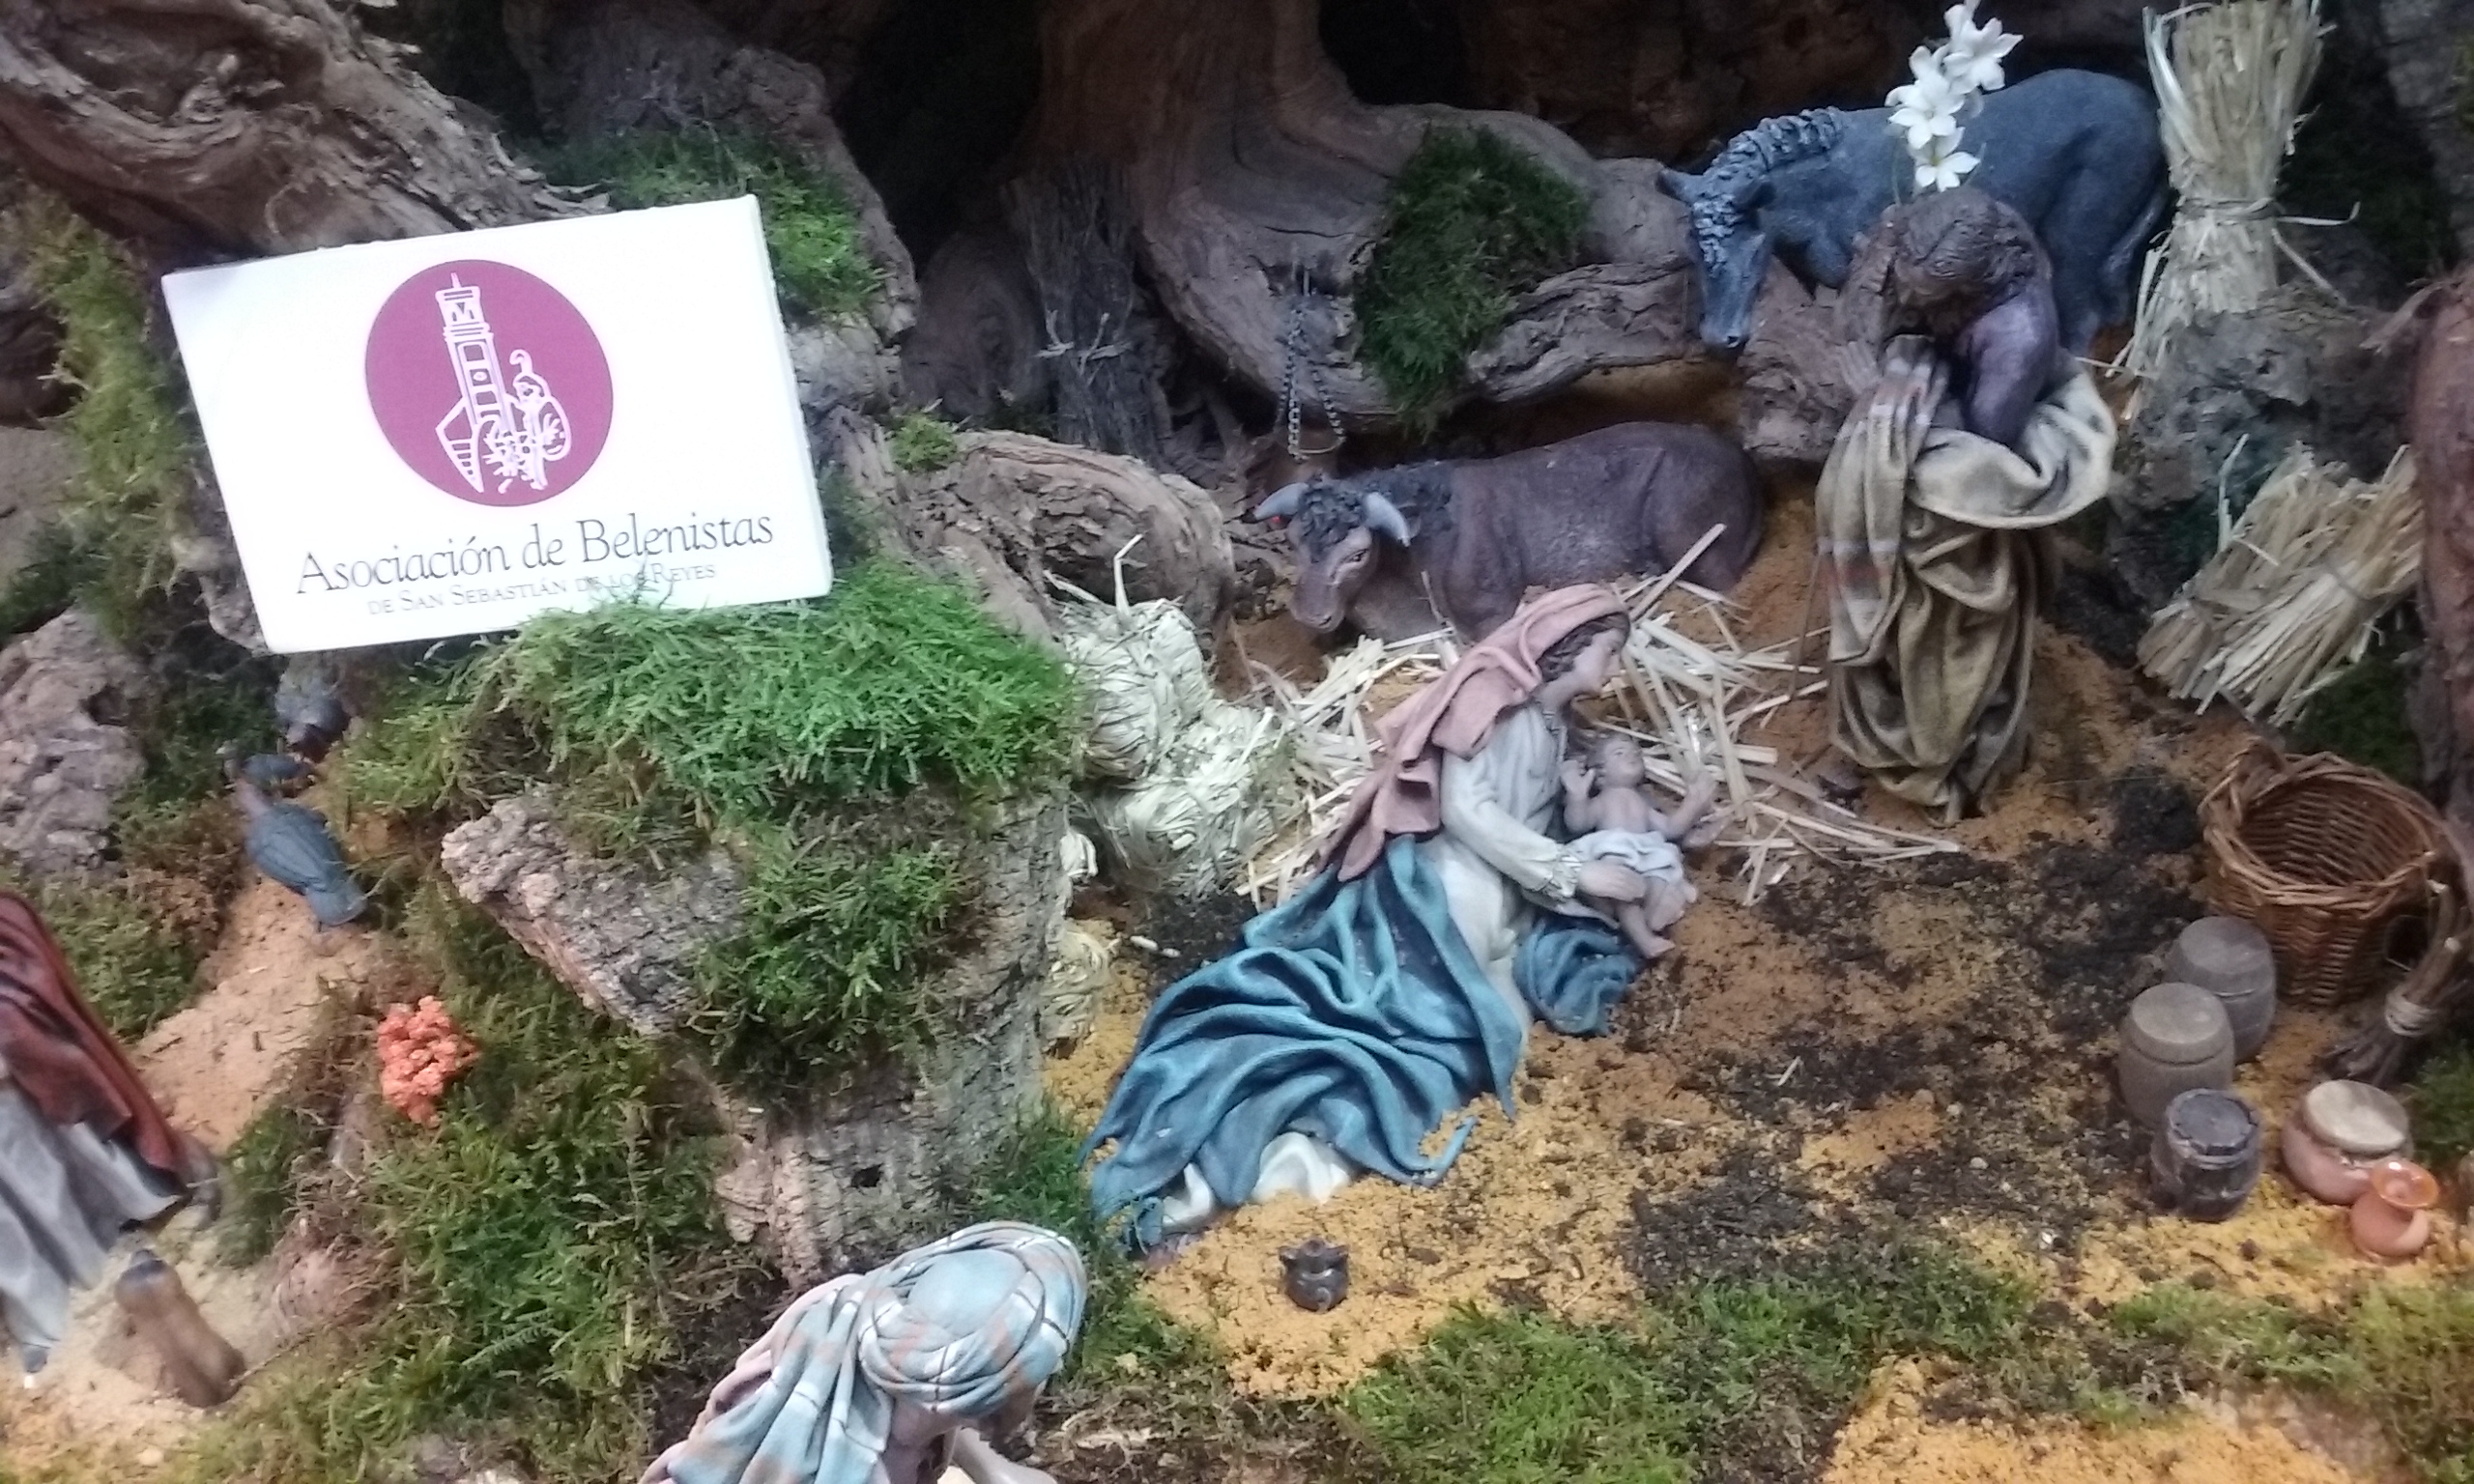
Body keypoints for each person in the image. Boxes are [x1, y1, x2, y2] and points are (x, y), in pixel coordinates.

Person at [1086, 585, 1658, 1246]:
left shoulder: (1553, 725)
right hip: (1450, 890)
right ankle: (1271, 1165)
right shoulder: (1490, 699)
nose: (1614, 668)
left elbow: (1535, 813)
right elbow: (1467, 810)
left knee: (1502, 1035)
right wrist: (1570, 871)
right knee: (1426, 1035)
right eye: (1608, 651)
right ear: (1569, 647)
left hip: (1510, 899)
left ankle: (1298, 1156)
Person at [643, 1221, 1085, 1484]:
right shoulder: (851, 1467)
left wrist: (992, 1470)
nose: (1058, 1367)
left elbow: (937, 1417)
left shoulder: (856, 1323)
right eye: (1047, 1361)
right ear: (981, 1394)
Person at [0, 891, 216, 1371]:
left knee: (58, 1155)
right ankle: (42, 1308)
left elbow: (21, 962)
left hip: (19, 1068)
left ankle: (128, 1219)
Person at [1560, 734, 1715, 960]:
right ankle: (1644, 941)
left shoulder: (1642, 802)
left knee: (1660, 876)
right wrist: (1577, 796)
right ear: (1600, 773)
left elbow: (1670, 828)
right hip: (1615, 852)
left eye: (1636, 753)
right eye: (1619, 753)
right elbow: (1577, 824)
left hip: (1646, 852)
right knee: (1625, 889)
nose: (1632, 756)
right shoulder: (1604, 800)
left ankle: (1651, 918)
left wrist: (1693, 804)